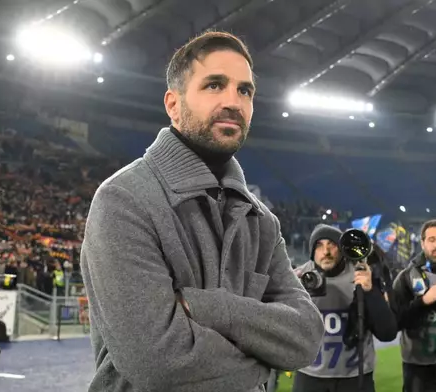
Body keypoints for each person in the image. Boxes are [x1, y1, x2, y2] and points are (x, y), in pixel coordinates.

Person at [80, 31, 325, 392]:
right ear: (173, 104)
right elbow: (159, 362)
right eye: (214, 85)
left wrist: (209, 307)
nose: (233, 101)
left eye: (245, 90)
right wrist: (265, 362)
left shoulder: (262, 221)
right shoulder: (123, 200)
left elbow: (305, 335)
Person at [292, 224, 398, 392]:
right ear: (312, 251)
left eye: (331, 245)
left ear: (342, 249)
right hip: (309, 377)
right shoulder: (299, 278)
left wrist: (370, 291)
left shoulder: (361, 274)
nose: (325, 251)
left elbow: (387, 333)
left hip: (355, 378)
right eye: (319, 245)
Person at [390, 219, 436, 392]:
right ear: (422, 244)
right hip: (418, 369)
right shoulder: (405, 278)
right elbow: (395, 323)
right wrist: (422, 302)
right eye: (432, 240)